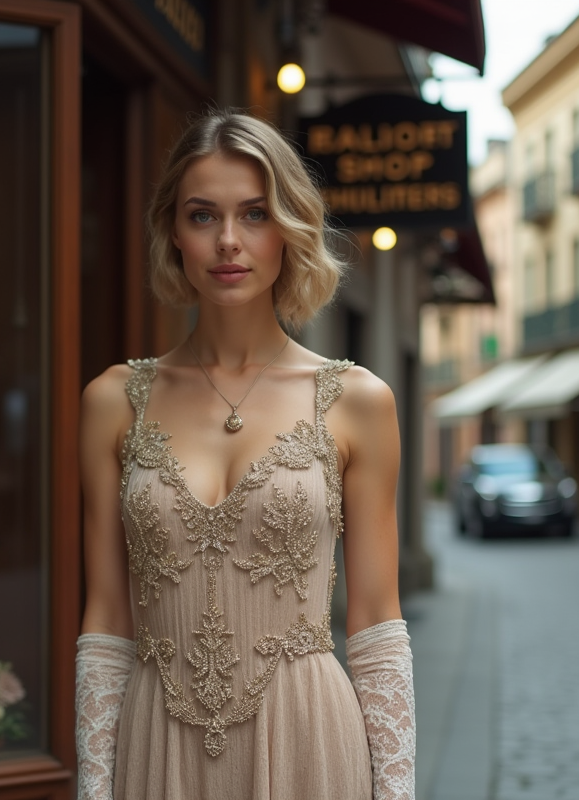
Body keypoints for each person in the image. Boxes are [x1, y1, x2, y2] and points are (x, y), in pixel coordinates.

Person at [75, 110, 414, 800]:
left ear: (290, 228)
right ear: (174, 232)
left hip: (307, 744)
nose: (228, 240)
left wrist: (397, 792)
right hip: (156, 746)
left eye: (255, 214)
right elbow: (106, 621)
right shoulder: (113, 401)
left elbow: (377, 622)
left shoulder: (357, 400)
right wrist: (94, 786)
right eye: (203, 216)